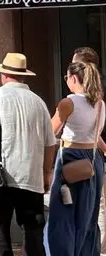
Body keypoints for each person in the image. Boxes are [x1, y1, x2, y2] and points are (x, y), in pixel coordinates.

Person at [0, 53, 56, 256]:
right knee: (33, 231)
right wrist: (46, 173)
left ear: (4, 75)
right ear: (24, 76)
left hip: (0, 176)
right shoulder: (38, 102)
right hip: (31, 177)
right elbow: (50, 143)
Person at [45, 59, 105, 256]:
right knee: (88, 215)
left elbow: (50, 131)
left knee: (63, 214)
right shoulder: (100, 104)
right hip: (92, 161)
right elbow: (96, 138)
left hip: (71, 158)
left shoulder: (68, 102)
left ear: (73, 78)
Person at [72, 45, 106, 256]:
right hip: (97, 156)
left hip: (87, 157)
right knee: (97, 206)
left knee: (94, 207)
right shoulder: (97, 95)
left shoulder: (81, 98)